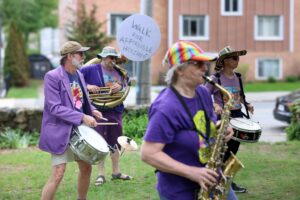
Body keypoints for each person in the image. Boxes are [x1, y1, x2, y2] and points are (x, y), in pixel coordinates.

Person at [140, 41, 237, 200]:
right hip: (181, 191)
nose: (205, 68)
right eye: (198, 64)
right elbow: (148, 154)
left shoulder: (202, 93)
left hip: (213, 178)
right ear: (180, 70)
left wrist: (220, 127)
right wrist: (192, 172)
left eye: (205, 63)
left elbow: (204, 124)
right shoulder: (165, 107)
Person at [38, 41, 103, 200]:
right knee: (58, 173)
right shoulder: (52, 76)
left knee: (86, 168)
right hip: (60, 131)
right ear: (69, 56)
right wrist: (82, 116)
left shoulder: (79, 74)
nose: (83, 57)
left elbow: (81, 100)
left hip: (79, 132)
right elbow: (54, 107)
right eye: (80, 54)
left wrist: (92, 110)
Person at [205, 46, 254, 193]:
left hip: (238, 116)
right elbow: (204, 95)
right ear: (225, 61)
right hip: (223, 118)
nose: (237, 60)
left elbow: (241, 96)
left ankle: (227, 182)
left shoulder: (238, 77)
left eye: (238, 58)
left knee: (233, 151)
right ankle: (219, 181)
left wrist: (248, 104)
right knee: (223, 151)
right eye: (234, 58)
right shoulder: (216, 78)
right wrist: (214, 104)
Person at [80, 46, 132, 186]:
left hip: (115, 110)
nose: (112, 60)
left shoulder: (119, 71)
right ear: (102, 57)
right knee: (100, 140)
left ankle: (116, 172)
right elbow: (76, 79)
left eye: (114, 57)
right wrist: (87, 86)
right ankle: (101, 174)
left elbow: (127, 83)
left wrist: (120, 87)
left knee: (115, 140)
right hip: (98, 110)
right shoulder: (90, 69)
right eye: (109, 57)